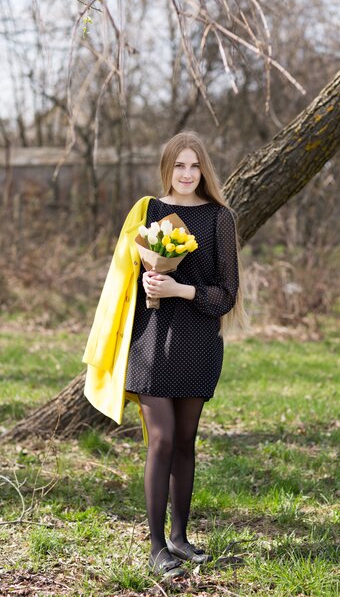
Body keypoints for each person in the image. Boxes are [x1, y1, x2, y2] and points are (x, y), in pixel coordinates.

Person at [83, 131, 245, 579]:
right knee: (163, 440)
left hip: (198, 343)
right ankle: (155, 546)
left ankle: (180, 537)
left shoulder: (220, 219)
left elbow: (226, 295)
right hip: (150, 340)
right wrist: (150, 282)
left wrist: (180, 288)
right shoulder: (149, 213)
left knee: (187, 443)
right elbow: (125, 280)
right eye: (179, 166)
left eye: (195, 166)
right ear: (167, 168)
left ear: (204, 170)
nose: (187, 174)